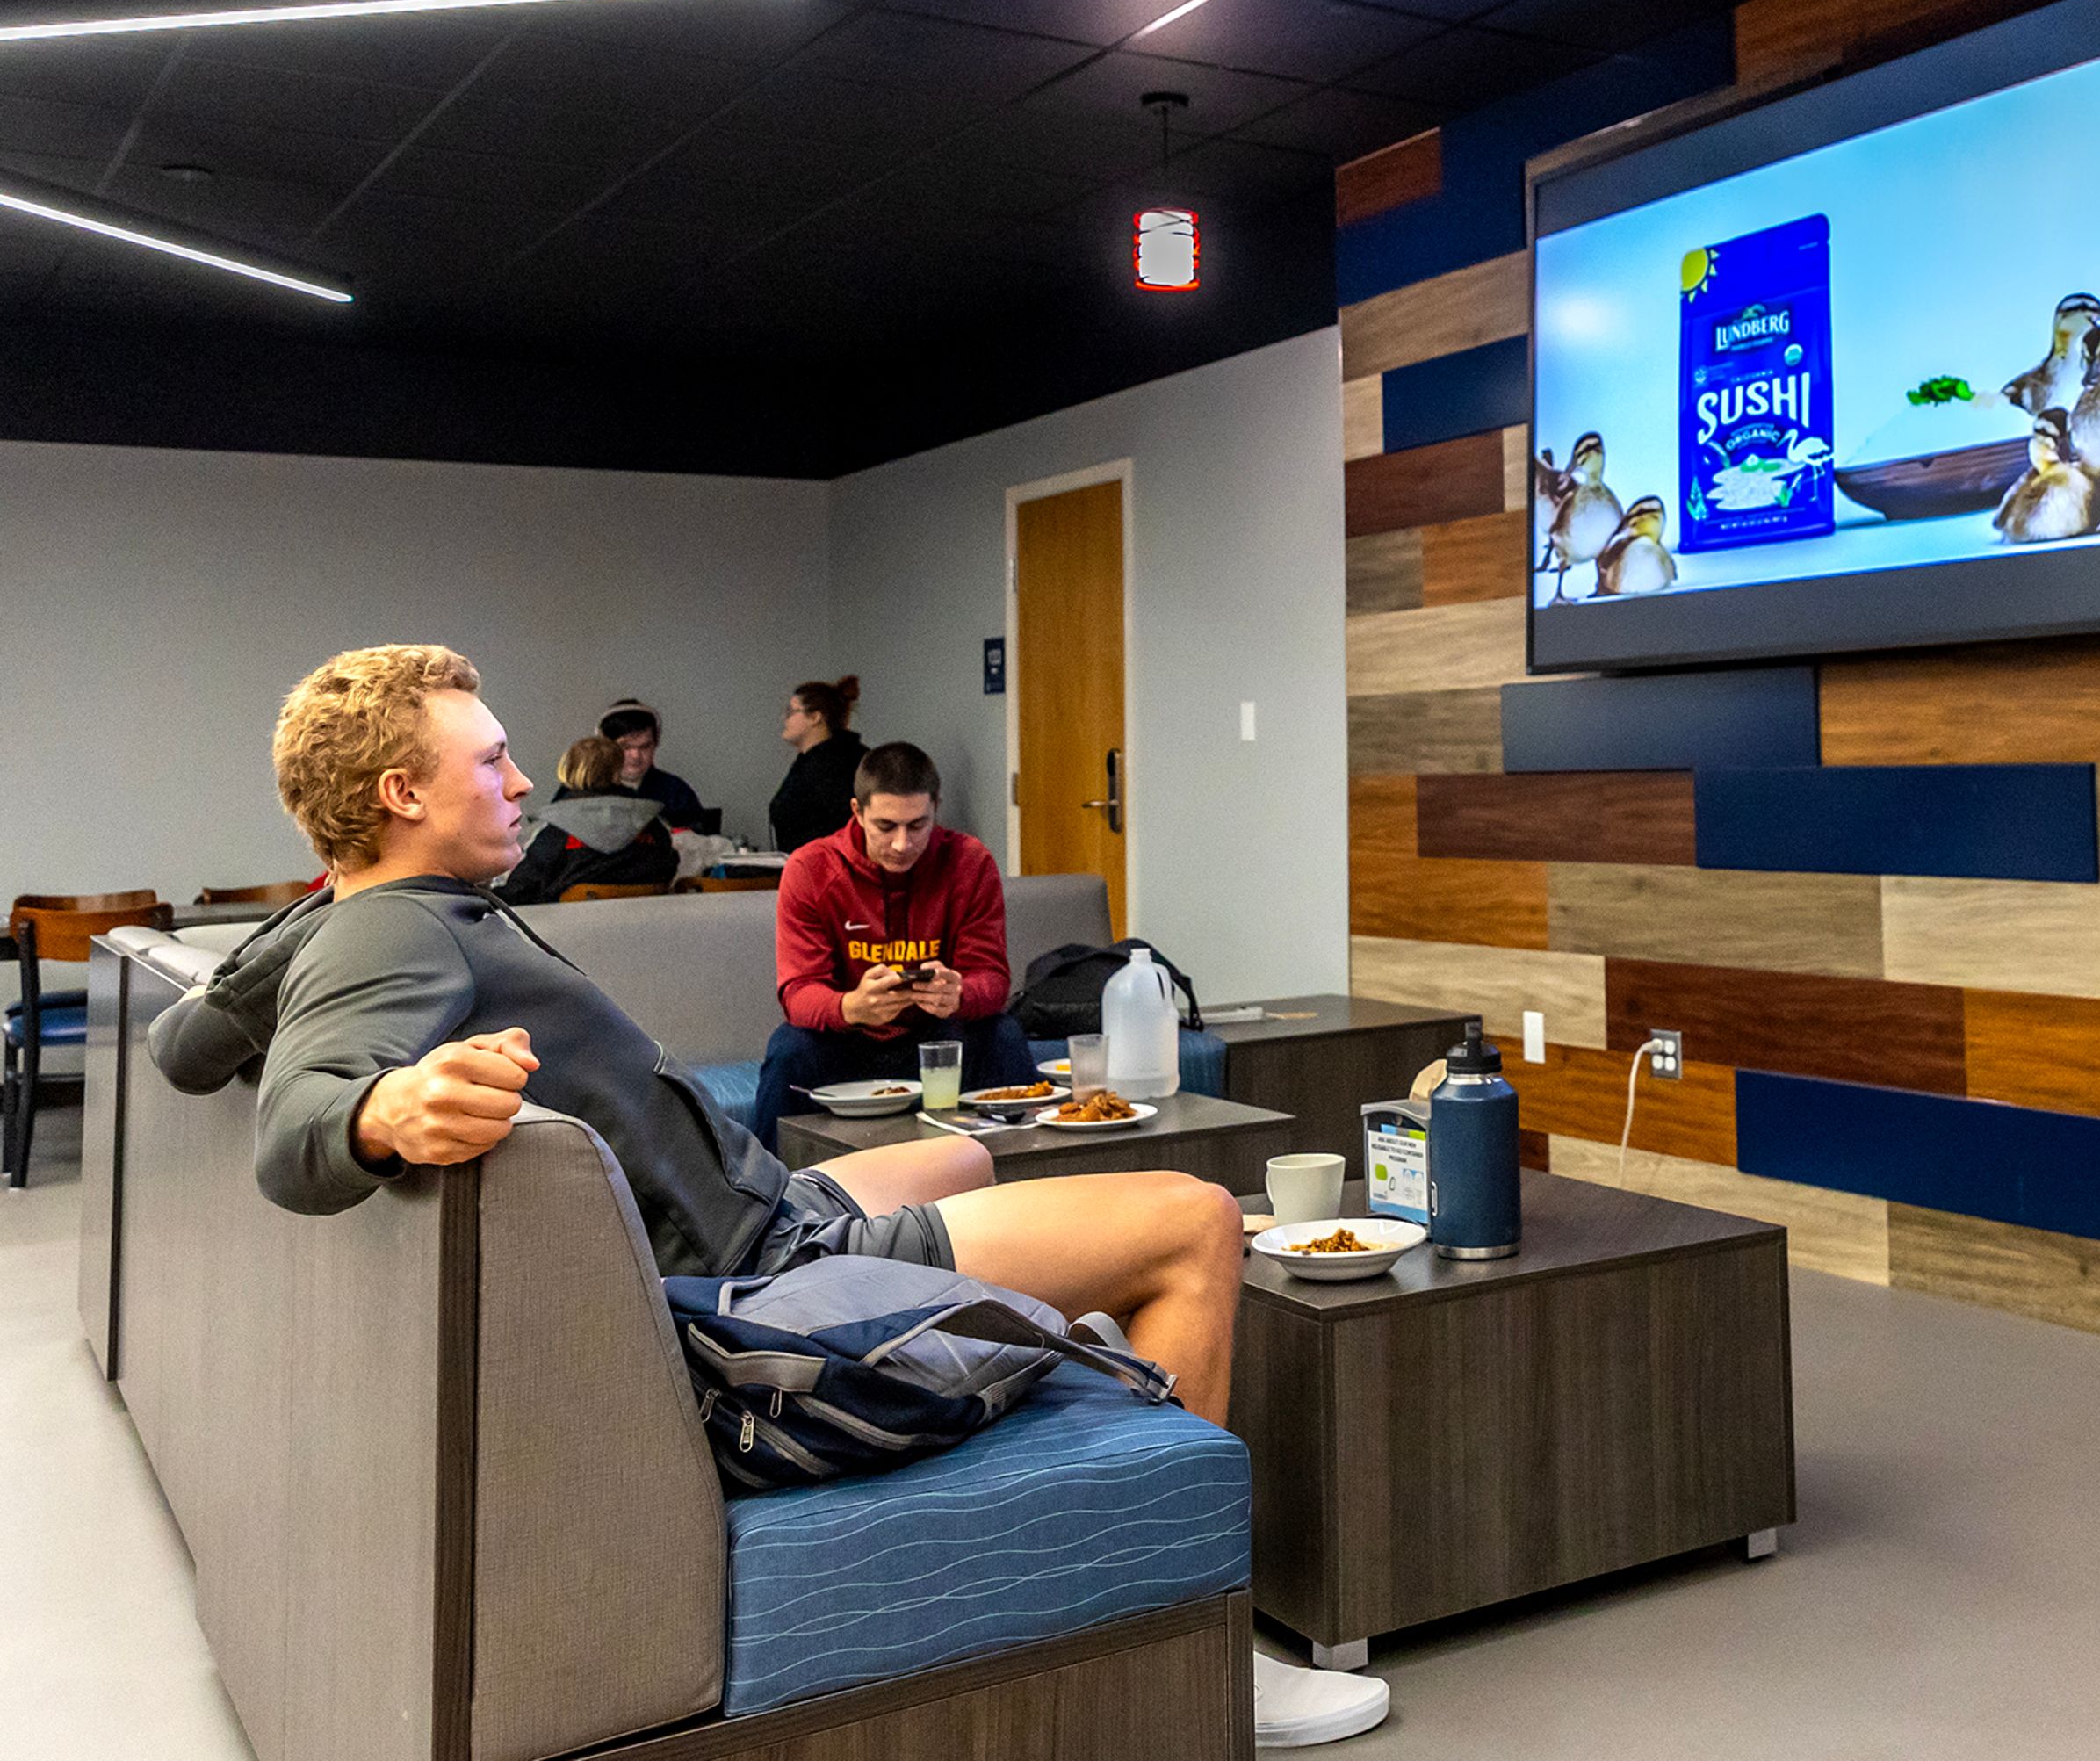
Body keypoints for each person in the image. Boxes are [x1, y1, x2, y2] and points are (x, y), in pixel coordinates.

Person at [145, 646, 1386, 1746]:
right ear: (400, 795)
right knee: (1195, 1219)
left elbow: (185, 1045)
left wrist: (314, 914)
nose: (523, 782)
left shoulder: (359, 915)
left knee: (963, 1152)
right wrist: (382, 1109)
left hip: (766, 1208)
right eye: (495, 758)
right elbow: (293, 1138)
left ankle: (1075, 1363)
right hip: (762, 1285)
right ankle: (1201, 1635)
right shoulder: (393, 936)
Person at [755, 741, 1036, 1149]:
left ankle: (1028, 1180)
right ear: (857, 812)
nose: (903, 844)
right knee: (789, 1049)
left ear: (936, 808)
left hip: (939, 1036)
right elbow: (798, 992)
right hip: (847, 1039)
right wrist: (851, 1006)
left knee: (1002, 1034)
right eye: (886, 827)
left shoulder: (969, 862)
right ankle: (761, 1197)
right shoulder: (811, 868)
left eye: (918, 825)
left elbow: (991, 979)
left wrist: (959, 994)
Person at [497, 734, 677, 905]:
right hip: (647, 929)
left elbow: (521, 889)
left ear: (569, 770)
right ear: (618, 770)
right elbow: (669, 867)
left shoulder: (558, 829)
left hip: (566, 933)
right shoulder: (652, 824)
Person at [769, 676, 866, 853]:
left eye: (791, 712)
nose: (784, 719)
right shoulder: (810, 761)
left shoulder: (836, 765)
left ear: (815, 717)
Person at [597, 700, 708, 830]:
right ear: (605, 747)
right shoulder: (586, 791)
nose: (636, 755)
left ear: (655, 745)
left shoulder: (676, 792)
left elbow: (702, 839)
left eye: (645, 747)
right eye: (625, 747)